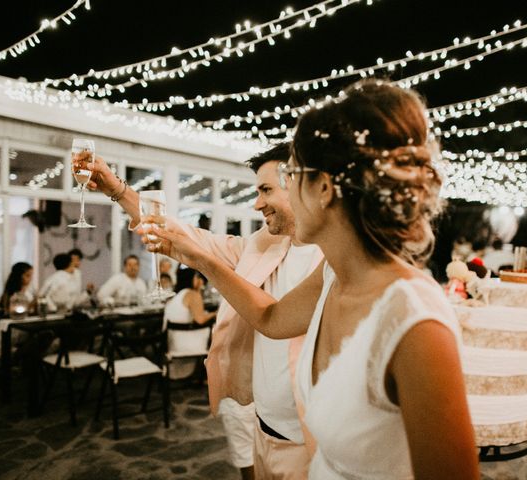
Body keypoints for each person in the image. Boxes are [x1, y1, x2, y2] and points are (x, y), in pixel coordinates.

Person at [146, 80, 478, 478]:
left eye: (292, 176)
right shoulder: (333, 276)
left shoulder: (415, 318)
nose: (279, 194)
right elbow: (270, 318)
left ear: (323, 188)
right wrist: (199, 258)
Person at [75, 142, 323, 479]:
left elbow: (275, 318)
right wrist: (115, 188)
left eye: (266, 190)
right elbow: (185, 234)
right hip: (265, 428)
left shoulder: (335, 259)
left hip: (314, 440)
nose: (257, 203)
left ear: (302, 184)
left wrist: (198, 258)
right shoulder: (262, 246)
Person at [164, 267, 216, 380]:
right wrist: (216, 313)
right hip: (188, 344)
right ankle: (212, 376)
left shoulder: (176, 295)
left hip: (174, 342)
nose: (200, 280)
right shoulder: (192, 294)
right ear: (191, 279)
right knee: (218, 329)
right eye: (197, 277)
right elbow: (200, 319)